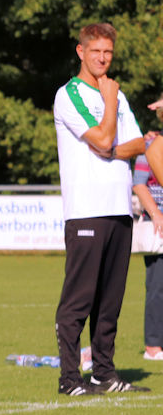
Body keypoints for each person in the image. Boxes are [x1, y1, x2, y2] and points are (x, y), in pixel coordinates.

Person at [53, 22, 148, 395]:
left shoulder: (117, 95)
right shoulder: (70, 94)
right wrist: (109, 106)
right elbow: (108, 138)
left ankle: (104, 374)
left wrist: (108, 146)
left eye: (108, 52)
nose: (103, 58)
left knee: (110, 301)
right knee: (79, 300)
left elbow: (136, 143)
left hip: (120, 209)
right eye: (96, 52)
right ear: (81, 52)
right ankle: (69, 379)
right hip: (86, 208)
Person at [131, 123, 163, 361]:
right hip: (159, 224)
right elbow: (139, 183)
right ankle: (153, 346)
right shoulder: (150, 145)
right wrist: (155, 213)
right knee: (158, 286)